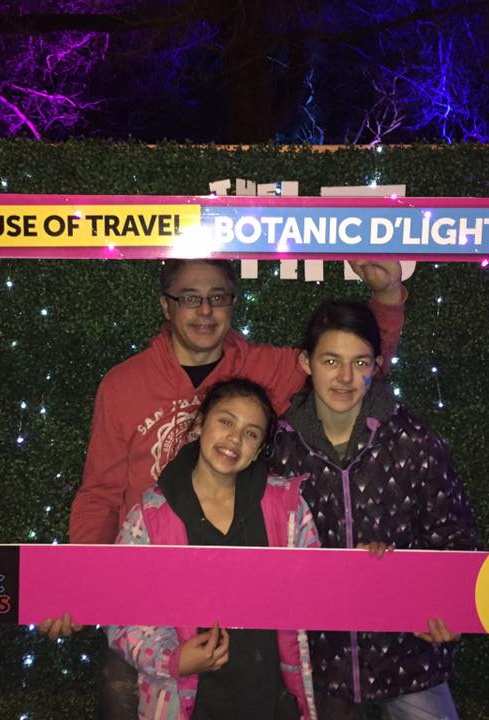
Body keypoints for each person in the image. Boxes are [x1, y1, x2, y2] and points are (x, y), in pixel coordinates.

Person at [41, 259, 404, 718]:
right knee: (123, 688)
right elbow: (100, 494)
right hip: (153, 598)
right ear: (166, 306)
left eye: (217, 297)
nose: (205, 310)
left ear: (233, 303)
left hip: (246, 604)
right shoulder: (123, 384)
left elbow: (348, 368)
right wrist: (81, 582)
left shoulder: (265, 367)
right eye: (190, 298)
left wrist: (387, 298)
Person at [267, 299, 480, 720]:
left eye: (360, 362)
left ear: (377, 366)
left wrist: (446, 603)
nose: (345, 377)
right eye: (331, 361)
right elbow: (268, 547)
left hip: (410, 654)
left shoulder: (414, 441)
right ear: (306, 363)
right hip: (322, 663)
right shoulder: (281, 448)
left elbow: (456, 538)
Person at [106, 378, 319, 720]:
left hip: (271, 702)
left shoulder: (289, 508)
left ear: (259, 450)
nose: (235, 438)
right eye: (226, 421)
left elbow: (317, 589)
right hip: (184, 705)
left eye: (251, 433)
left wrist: (363, 562)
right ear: (200, 424)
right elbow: (121, 612)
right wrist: (174, 660)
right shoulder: (150, 514)